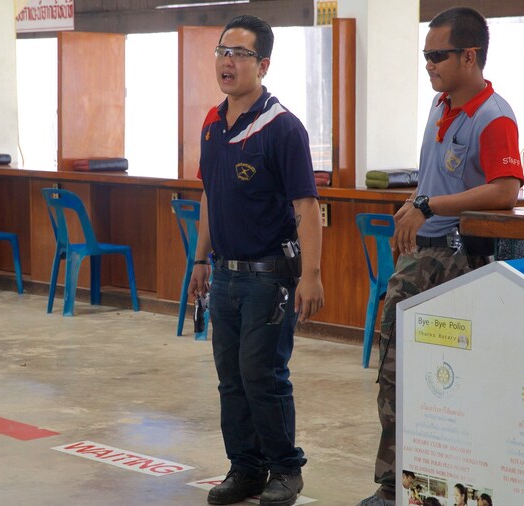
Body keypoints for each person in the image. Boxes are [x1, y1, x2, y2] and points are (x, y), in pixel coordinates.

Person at [357, 7, 524, 506]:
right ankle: (395, 483)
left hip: (458, 263)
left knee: (451, 379)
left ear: (469, 56)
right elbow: (436, 179)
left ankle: (452, 484)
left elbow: (506, 190)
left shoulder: (494, 117)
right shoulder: (439, 105)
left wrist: (431, 205)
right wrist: (413, 205)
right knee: (395, 370)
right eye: (425, 55)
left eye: (438, 55)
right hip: (419, 258)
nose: (428, 65)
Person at [188, 13, 325, 506]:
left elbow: (307, 207)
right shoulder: (211, 123)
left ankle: (285, 469)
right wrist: (199, 262)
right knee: (230, 379)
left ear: (263, 65)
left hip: (270, 278)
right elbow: (209, 193)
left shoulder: (283, 128)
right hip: (223, 275)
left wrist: (310, 275)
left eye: (240, 54)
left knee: (262, 375)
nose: (227, 61)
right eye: (222, 51)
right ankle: (244, 468)